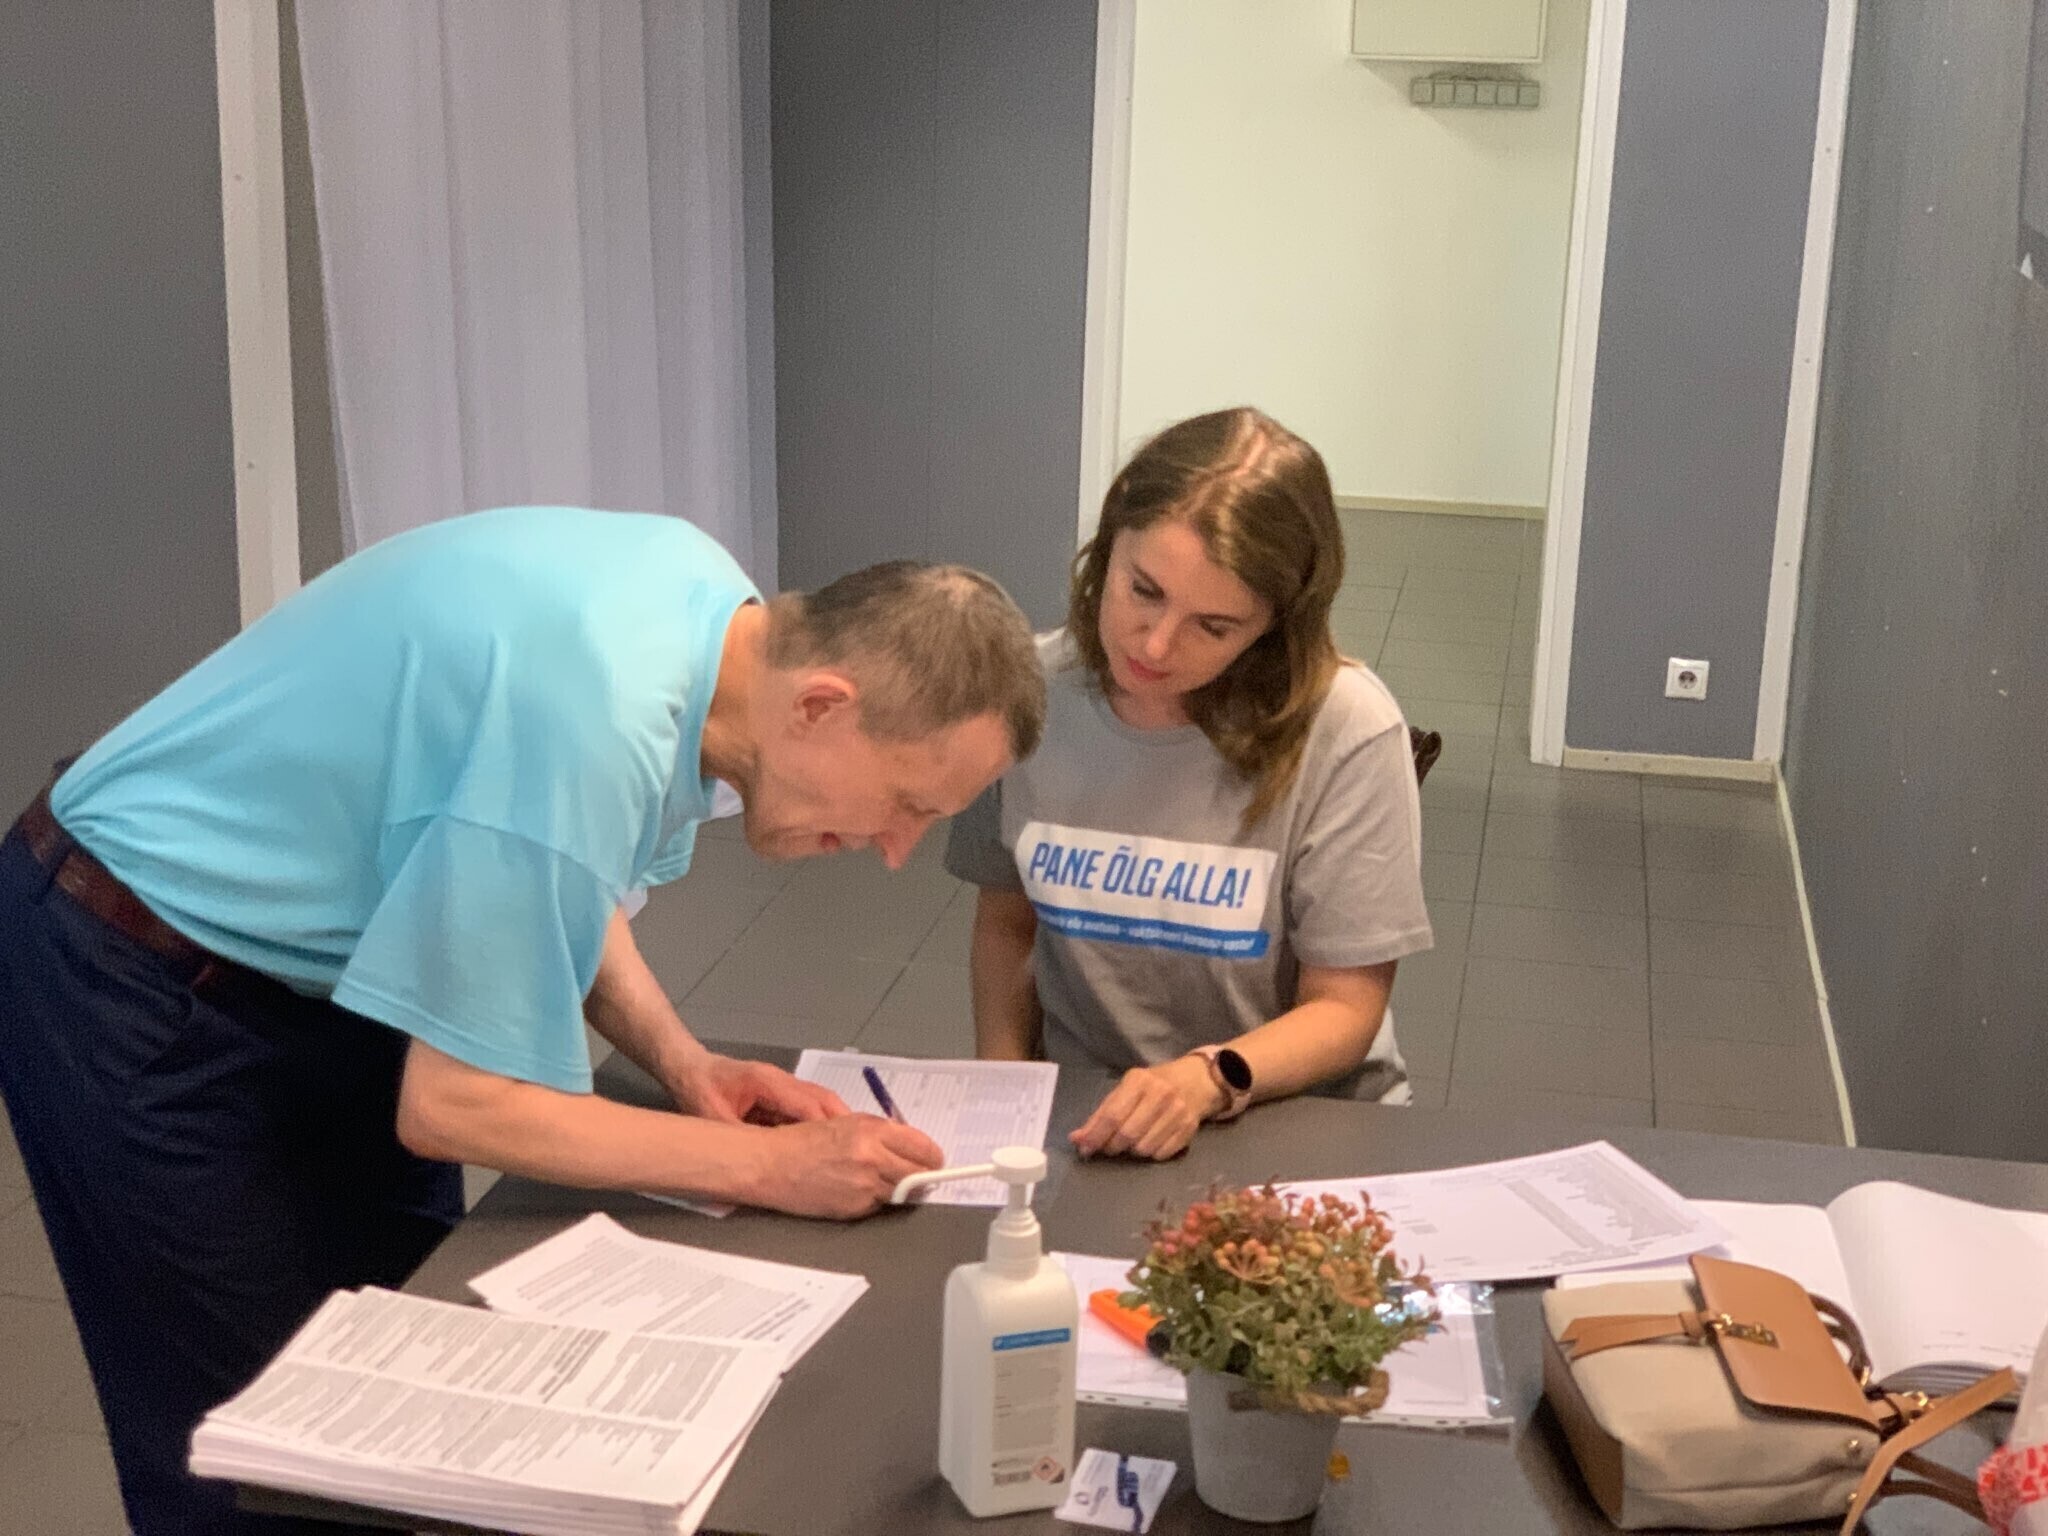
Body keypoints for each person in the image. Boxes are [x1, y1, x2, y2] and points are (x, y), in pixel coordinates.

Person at [0, 505, 1045, 1534]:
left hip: (329, 967)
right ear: (821, 704)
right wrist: (775, 1168)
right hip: (133, 961)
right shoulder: (590, 711)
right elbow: (457, 1106)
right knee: (255, 1459)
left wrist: (686, 1066)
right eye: (908, 804)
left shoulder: (713, 615)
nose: (898, 850)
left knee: (411, 1383)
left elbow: (552, 874)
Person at [947, 408, 1431, 1162]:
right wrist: (1004, 1094)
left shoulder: (1349, 729)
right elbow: (1007, 926)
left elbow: (1345, 1006)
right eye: (1143, 590)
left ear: (1275, 626)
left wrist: (1206, 1080)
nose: (1156, 643)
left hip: (1293, 1114)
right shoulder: (1027, 694)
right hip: (1095, 1114)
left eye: (1214, 626)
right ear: (1109, 544)